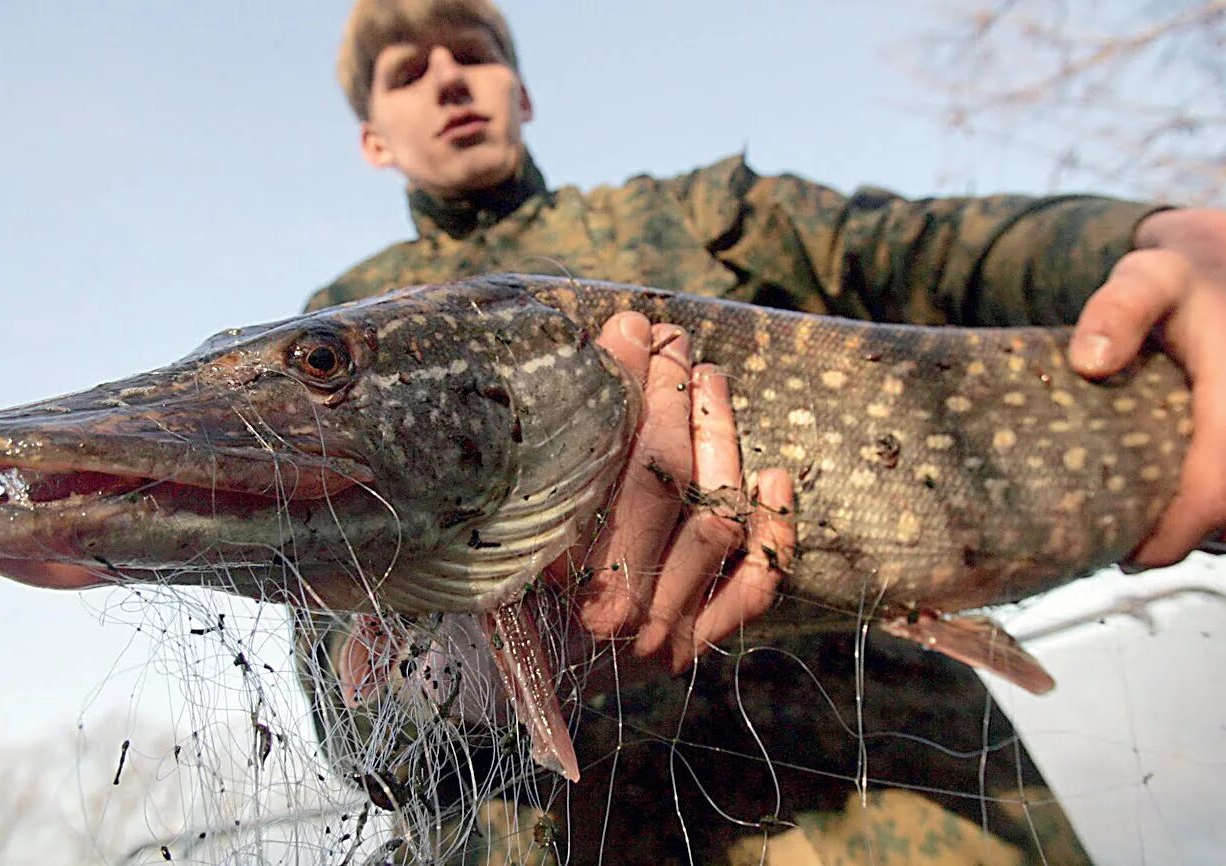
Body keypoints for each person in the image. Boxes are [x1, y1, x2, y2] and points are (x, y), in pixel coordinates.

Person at [303, 1, 1226, 863]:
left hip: (901, 783)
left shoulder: (696, 216)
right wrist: (474, 681)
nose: (449, 81)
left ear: (522, 92)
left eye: (474, 55)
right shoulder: (336, 328)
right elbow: (351, 712)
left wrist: (1161, 236)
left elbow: (926, 248)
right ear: (373, 139)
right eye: (407, 71)